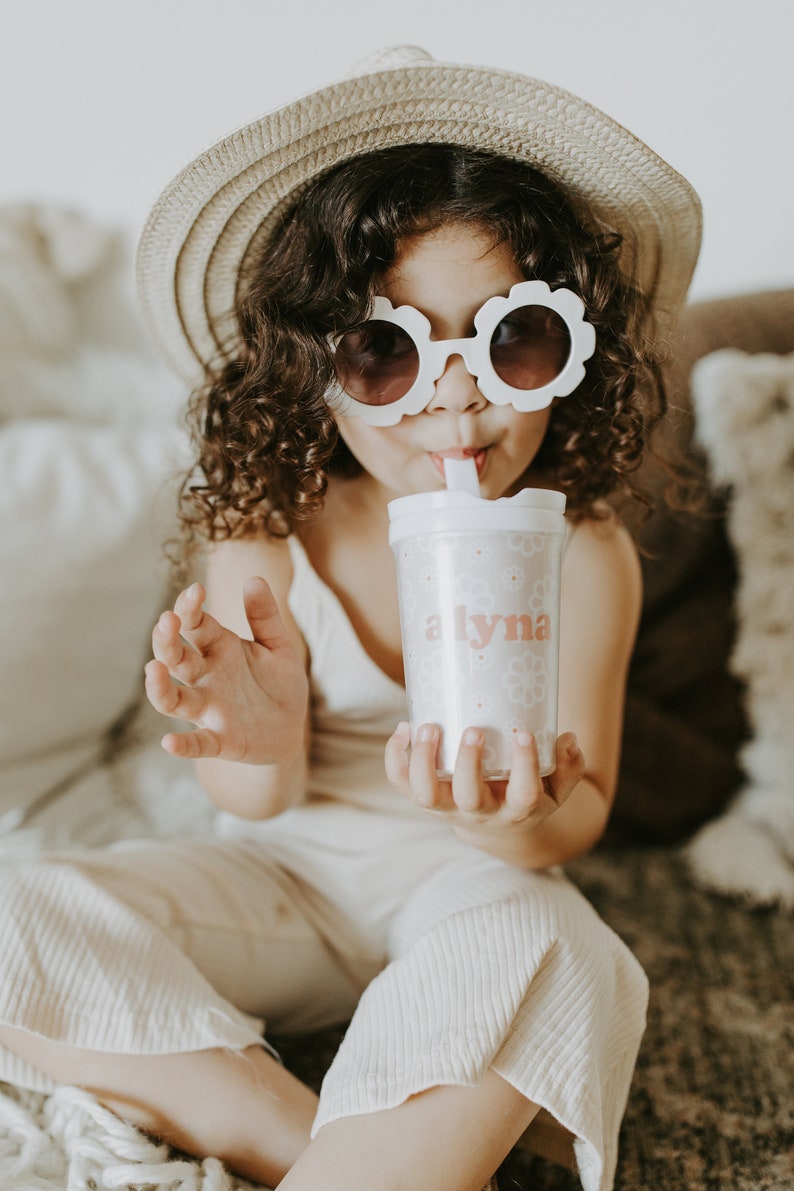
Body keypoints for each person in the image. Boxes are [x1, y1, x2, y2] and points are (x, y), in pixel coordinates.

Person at [0, 46, 701, 1191]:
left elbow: (573, 820)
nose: (455, 393)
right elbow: (254, 803)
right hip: (289, 875)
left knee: (568, 954)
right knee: (13, 911)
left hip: (475, 885)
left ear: (563, 359)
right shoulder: (268, 526)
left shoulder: (579, 551)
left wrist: (502, 821)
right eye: (387, 352)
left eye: (508, 340)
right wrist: (255, 736)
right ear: (310, 373)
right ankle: (322, 1150)